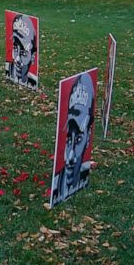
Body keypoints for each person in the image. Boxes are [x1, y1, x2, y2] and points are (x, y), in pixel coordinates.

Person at [50, 72, 95, 206]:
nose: (70, 157)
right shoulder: (58, 185)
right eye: (69, 140)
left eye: (79, 140)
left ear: (88, 136)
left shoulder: (83, 171)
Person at [6, 14, 38, 88]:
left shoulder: (33, 82)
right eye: (15, 49)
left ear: (32, 56)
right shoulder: (8, 71)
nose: (17, 59)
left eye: (24, 53)